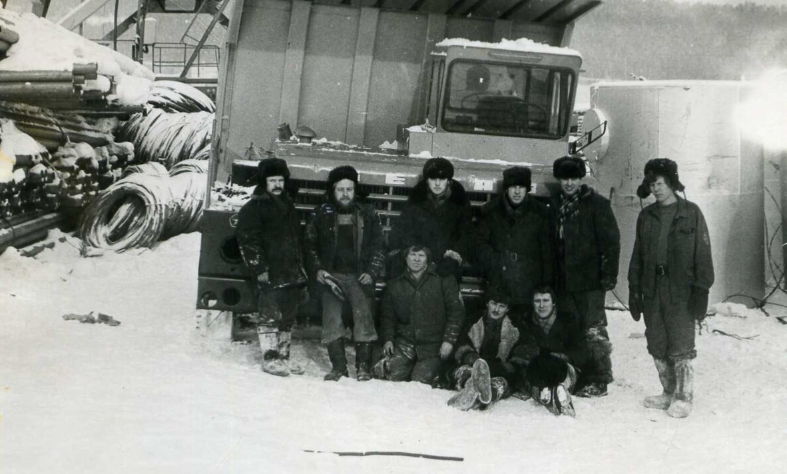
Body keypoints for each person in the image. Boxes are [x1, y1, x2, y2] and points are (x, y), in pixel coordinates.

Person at [628, 158, 714, 418]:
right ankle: (668, 392)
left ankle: (684, 397)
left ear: (672, 184)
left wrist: (702, 290)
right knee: (657, 341)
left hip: (681, 290)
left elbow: (703, 253)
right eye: (652, 184)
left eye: (661, 183)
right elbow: (638, 254)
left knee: (681, 343)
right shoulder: (646, 215)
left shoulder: (691, 212)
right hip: (653, 288)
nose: (656, 188)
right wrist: (634, 289)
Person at [304, 166, 385, 382]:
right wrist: (319, 269)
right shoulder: (321, 213)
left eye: (349, 189)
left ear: (355, 190)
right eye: (341, 189)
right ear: (333, 190)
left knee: (364, 316)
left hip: (359, 277)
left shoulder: (368, 213)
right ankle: (339, 366)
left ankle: (363, 367)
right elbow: (309, 245)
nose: (345, 194)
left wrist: (371, 272)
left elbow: (379, 246)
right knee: (331, 317)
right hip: (332, 277)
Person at [551, 155, 620, 397]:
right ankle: (576, 374)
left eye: (573, 178)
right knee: (570, 329)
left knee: (594, 331)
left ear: (581, 179)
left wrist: (608, 276)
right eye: (564, 178)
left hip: (590, 281)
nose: (569, 183)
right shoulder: (555, 206)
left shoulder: (597, 205)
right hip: (564, 282)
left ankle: (600, 378)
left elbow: (611, 242)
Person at [236, 157, 307, 377]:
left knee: (288, 317)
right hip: (270, 273)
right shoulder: (253, 208)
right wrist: (259, 269)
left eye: (280, 180)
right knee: (269, 316)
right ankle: (270, 358)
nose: (277, 185)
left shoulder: (287, 205)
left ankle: (284, 356)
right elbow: (248, 241)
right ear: (264, 183)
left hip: (290, 272)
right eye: (272, 180)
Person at [377, 245, 465, 385]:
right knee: (389, 376)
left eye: (421, 256)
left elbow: (456, 312)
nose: (416, 259)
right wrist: (388, 339)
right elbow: (388, 316)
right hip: (405, 343)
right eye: (413, 255)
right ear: (406, 258)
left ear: (427, 260)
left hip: (433, 346)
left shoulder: (443, 279)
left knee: (419, 382)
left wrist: (448, 341)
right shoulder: (395, 283)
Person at [475, 166, 554, 322]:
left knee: (525, 327)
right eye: (513, 187)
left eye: (521, 187)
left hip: (528, 281)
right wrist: (496, 262)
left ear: (527, 189)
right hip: (499, 280)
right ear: (506, 189)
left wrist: (545, 283)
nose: (517, 192)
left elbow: (547, 251)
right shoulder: (491, 212)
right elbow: (479, 243)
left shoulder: (540, 214)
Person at [511, 286, 603, 417]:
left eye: (545, 300)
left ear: (553, 303)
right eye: (537, 301)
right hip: (537, 370)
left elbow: (582, 351)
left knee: (557, 367)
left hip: (564, 368)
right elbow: (519, 349)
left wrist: (564, 357)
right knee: (537, 366)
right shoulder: (526, 323)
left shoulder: (568, 321)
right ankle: (546, 393)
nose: (541, 305)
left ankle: (560, 390)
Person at [388, 157, 472, 281]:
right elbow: (401, 229)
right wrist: (413, 252)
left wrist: (454, 257)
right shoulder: (416, 200)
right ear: (427, 180)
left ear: (449, 181)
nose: (437, 184)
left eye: (442, 179)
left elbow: (466, 234)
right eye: (433, 179)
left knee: (447, 278)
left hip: (445, 259)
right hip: (420, 255)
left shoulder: (458, 202)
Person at [445, 284, 522, 411]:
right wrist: (473, 359)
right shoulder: (474, 321)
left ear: (507, 309)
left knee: (502, 383)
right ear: (487, 303)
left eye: (501, 306)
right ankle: (471, 386)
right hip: (475, 366)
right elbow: (462, 346)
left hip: (500, 370)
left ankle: (487, 395)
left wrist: (505, 367)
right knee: (463, 371)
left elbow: (522, 354)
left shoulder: (515, 328)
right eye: (494, 303)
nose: (496, 309)